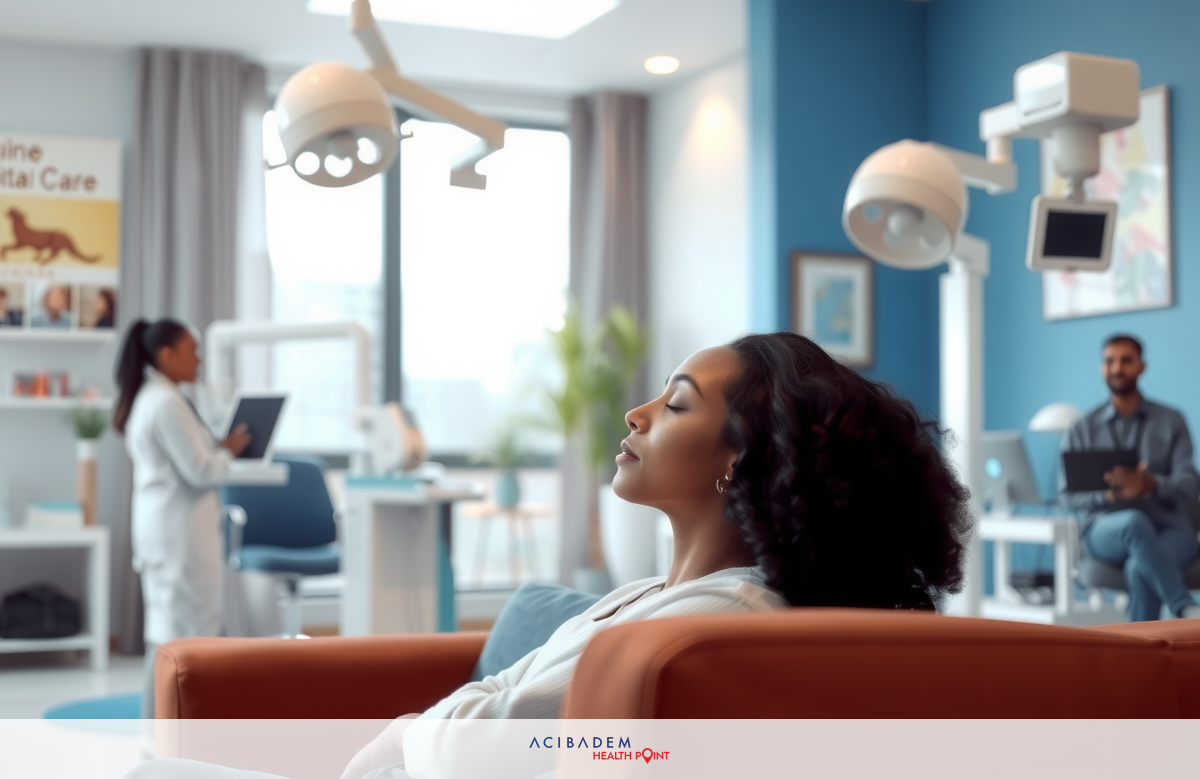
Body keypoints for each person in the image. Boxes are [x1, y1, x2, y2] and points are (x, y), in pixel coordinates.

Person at [124, 332, 970, 779]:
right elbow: (490, 701)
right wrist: (429, 730)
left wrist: (415, 733)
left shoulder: (708, 627)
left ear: (738, 457)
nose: (636, 413)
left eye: (674, 403)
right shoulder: (651, 597)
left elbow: (482, 739)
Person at [112, 318, 252, 719]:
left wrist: (217, 446)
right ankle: (169, 729)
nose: (199, 359)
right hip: (179, 536)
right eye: (192, 350)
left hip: (164, 530)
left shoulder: (154, 397)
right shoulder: (167, 402)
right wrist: (228, 453)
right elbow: (201, 471)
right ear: (166, 354)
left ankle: (158, 728)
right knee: (183, 640)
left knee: (167, 635)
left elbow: (188, 458)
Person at [1061, 334, 1200, 622]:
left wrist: (1152, 484)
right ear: (1102, 368)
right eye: (1110, 361)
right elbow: (1066, 495)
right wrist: (1109, 496)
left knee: (1140, 567)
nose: (1117, 368)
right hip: (1105, 530)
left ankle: (1140, 662)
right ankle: (1185, 609)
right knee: (1133, 522)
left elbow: (1190, 483)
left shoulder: (1172, 420)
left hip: (1170, 528)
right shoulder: (1080, 429)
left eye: (1126, 360)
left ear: (1142, 367)